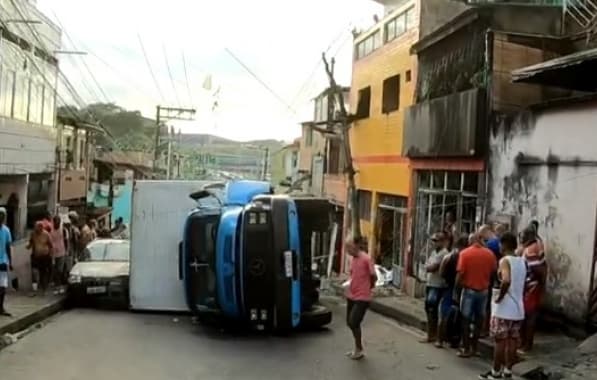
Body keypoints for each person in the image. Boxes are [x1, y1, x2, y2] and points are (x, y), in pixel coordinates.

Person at [480, 232, 526, 380]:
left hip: (504, 309)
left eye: (500, 244)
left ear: (504, 245)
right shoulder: (521, 261)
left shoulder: (504, 261)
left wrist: (500, 297)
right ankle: (508, 371)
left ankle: (495, 372)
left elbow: (506, 280)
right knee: (512, 341)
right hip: (518, 309)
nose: (498, 247)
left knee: (500, 342)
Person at [456, 232, 497, 358]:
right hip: (483, 291)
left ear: (471, 241)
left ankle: (466, 348)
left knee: (466, 320)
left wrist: (457, 291)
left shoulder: (465, 254)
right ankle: (474, 348)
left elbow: (459, 275)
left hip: (469, 290)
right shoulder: (490, 254)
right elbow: (494, 272)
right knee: (479, 320)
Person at [345, 236, 377, 360]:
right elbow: (353, 275)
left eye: (349, 247)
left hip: (362, 297)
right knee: (350, 322)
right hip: (352, 295)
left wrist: (370, 286)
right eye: (346, 247)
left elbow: (373, 275)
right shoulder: (353, 259)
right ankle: (357, 348)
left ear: (357, 245)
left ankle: (359, 349)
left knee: (354, 322)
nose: (347, 250)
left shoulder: (366, 258)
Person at [519, 227, 547, 354]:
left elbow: (540, 270)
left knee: (529, 317)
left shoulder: (530, 250)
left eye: (522, 235)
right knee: (528, 316)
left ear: (528, 236)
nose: (520, 237)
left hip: (531, 288)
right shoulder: (535, 246)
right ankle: (525, 343)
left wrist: (540, 288)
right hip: (532, 287)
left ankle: (526, 345)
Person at [440, 234, 469, 348]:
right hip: (462, 288)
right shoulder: (464, 256)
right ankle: (455, 339)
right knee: (460, 315)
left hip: (449, 287)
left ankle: (441, 339)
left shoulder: (449, 256)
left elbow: (442, 272)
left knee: (445, 313)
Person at [421, 232, 449, 346]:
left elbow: (432, 267)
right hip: (430, 283)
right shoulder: (434, 253)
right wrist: (428, 267)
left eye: (437, 241)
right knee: (428, 309)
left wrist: (428, 267)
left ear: (443, 242)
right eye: (434, 241)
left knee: (434, 310)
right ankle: (430, 334)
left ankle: (434, 336)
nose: (434, 243)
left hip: (438, 285)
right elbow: (427, 265)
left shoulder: (444, 254)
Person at [27, 221, 53, 295]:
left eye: (38, 228)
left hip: (44, 257)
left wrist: (50, 254)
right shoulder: (33, 234)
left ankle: (43, 289)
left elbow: (50, 245)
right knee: (34, 272)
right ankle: (34, 290)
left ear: (41, 228)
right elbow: (31, 242)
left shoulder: (46, 234)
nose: (36, 230)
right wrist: (28, 246)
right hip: (35, 256)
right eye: (35, 228)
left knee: (43, 273)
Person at [0, 208, 13, 316]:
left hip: (3, 262)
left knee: (3, 286)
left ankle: (1, 308)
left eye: (2, 215)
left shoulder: (6, 230)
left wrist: (10, 261)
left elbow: (8, 247)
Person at [49, 216, 67, 294]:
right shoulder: (51, 231)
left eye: (58, 222)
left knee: (59, 271)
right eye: (55, 222)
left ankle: (59, 286)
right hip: (53, 253)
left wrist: (66, 250)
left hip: (61, 253)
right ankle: (57, 287)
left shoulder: (63, 230)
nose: (57, 223)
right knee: (55, 271)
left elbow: (66, 240)